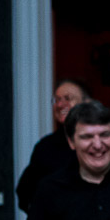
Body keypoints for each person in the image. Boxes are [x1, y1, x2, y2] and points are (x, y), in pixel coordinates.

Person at [15, 79, 90, 213]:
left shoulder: (102, 142)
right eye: (57, 100)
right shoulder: (45, 147)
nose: (60, 104)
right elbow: (24, 192)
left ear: (86, 103)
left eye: (68, 98)